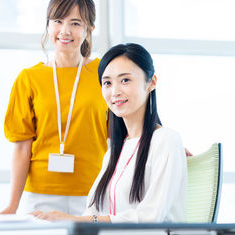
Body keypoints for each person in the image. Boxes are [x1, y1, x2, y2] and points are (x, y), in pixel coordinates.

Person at [31, 43, 188, 223]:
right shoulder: (115, 151)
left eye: (125, 80)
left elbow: (149, 217)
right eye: (107, 83)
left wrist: (74, 220)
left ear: (151, 82)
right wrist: (58, 219)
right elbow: (91, 212)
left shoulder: (166, 140)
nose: (115, 91)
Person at [0, 0, 108, 215]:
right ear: (48, 25)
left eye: (76, 23)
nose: (65, 31)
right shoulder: (29, 79)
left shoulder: (104, 73)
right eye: (58, 21)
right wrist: (12, 206)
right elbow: (22, 148)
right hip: (40, 195)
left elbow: (130, 121)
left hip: (93, 193)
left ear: (89, 29)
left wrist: (160, 138)